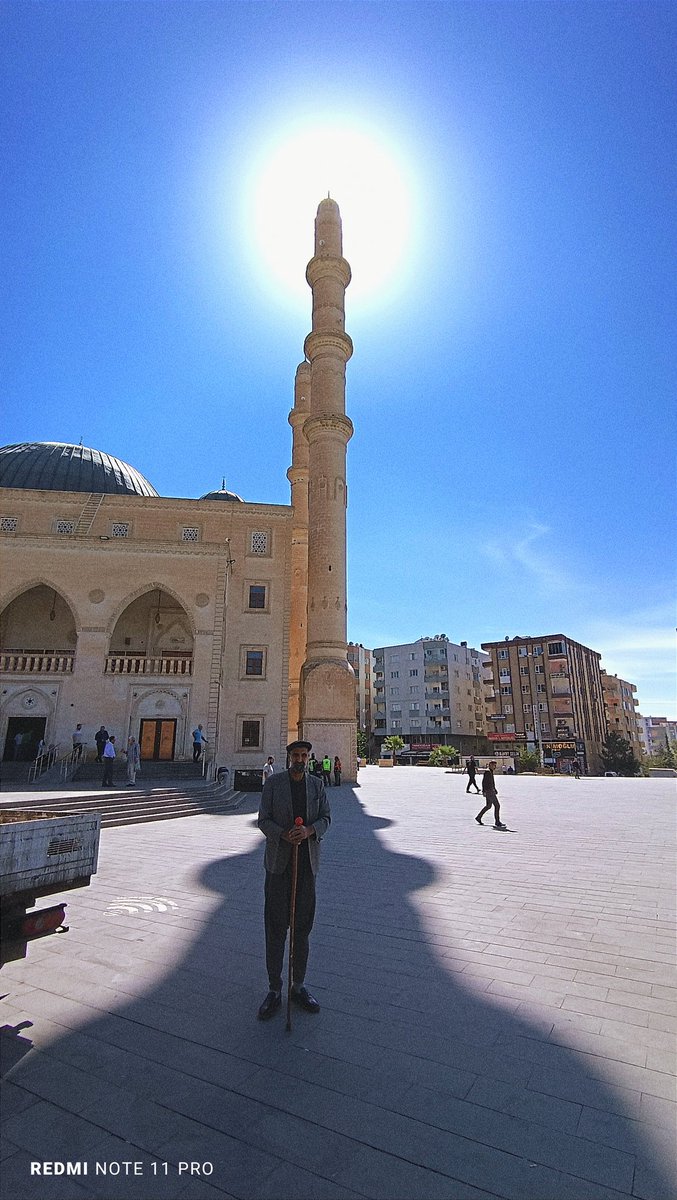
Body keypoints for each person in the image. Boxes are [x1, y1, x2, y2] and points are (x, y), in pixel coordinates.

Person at [257, 740, 331, 1020]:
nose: (300, 759)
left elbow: (326, 818)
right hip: (278, 866)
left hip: (306, 867)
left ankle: (298, 985)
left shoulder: (316, 785)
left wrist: (310, 830)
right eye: (296, 755)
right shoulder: (274, 784)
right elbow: (263, 820)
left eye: (304, 756)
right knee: (275, 928)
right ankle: (275, 989)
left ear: (308, 758)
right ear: (288, 758)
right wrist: (282, 834)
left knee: (302, 927)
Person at [475, 760, 506, 829]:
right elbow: (484, 782)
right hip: (489, 791)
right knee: (497, 805)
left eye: (495, 765)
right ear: (490, 765)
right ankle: (497, 822)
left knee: (488, 806)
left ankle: (478, 817)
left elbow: (491, 782)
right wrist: (484, 791)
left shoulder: (490, 771)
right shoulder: (487, 772)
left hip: (491, 791)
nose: (495, 767)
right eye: (494, 765)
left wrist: (494, 789)